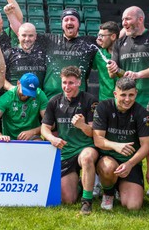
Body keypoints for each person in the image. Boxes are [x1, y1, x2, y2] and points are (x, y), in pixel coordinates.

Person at [41, 66, 98, 215]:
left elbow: (94, 133)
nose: (67, 87)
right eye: (64, 82)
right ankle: (81, 184)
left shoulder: (90, 100)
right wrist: (52, 138)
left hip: (85, 147)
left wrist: (82, 126)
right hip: (66, 151)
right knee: (68, 199)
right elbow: (44, 128)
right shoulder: (54, 101)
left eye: (71, 83)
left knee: (86, 158)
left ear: (79, 82)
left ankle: (87, 202)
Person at [93, 77, 149, 210]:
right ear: (115, 94)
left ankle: (119, 187)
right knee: (108, 168)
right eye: (123, 95)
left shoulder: (142, 113)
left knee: (133, 206)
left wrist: (130, 164)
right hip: (109, 159)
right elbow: (98, 140)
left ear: (136, 93)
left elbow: (147, 145)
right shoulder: (103, 107)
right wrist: (116, 146)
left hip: (130, 163)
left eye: (131, 95)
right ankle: (108, 193)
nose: (127, 99)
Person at [107, 6, 149, 108]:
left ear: (140, 19)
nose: (123, 23)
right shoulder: (119, 43)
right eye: (122, 19)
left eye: (128, 19)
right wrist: (112, 69)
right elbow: (111, 75)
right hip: (127, 102)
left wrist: (138, 74)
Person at [0, 72, 47, 141]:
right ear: (18, 83)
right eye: (24, 91)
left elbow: (50, 124)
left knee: (38, 141)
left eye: (30, 93)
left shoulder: (39, 95)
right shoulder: (7, 98)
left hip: (33, 138)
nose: (26, 95)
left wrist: (33, 132)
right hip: (9, 141)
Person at [0, 8, 47, 89]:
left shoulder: (43, 54)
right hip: (15, 97)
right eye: (24, 35)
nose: (27, 39)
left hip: (37, 98)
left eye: (31, 36)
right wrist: (13, 89)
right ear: (18, 35)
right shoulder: (9, 53)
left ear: (35, 36)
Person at [93, 21, 120, 101]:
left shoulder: (124, 53)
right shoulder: (98, 54)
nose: (98, 38)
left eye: (102, 36)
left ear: (113, 36)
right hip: (104, 100)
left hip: (123, 99)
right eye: (98, 35)